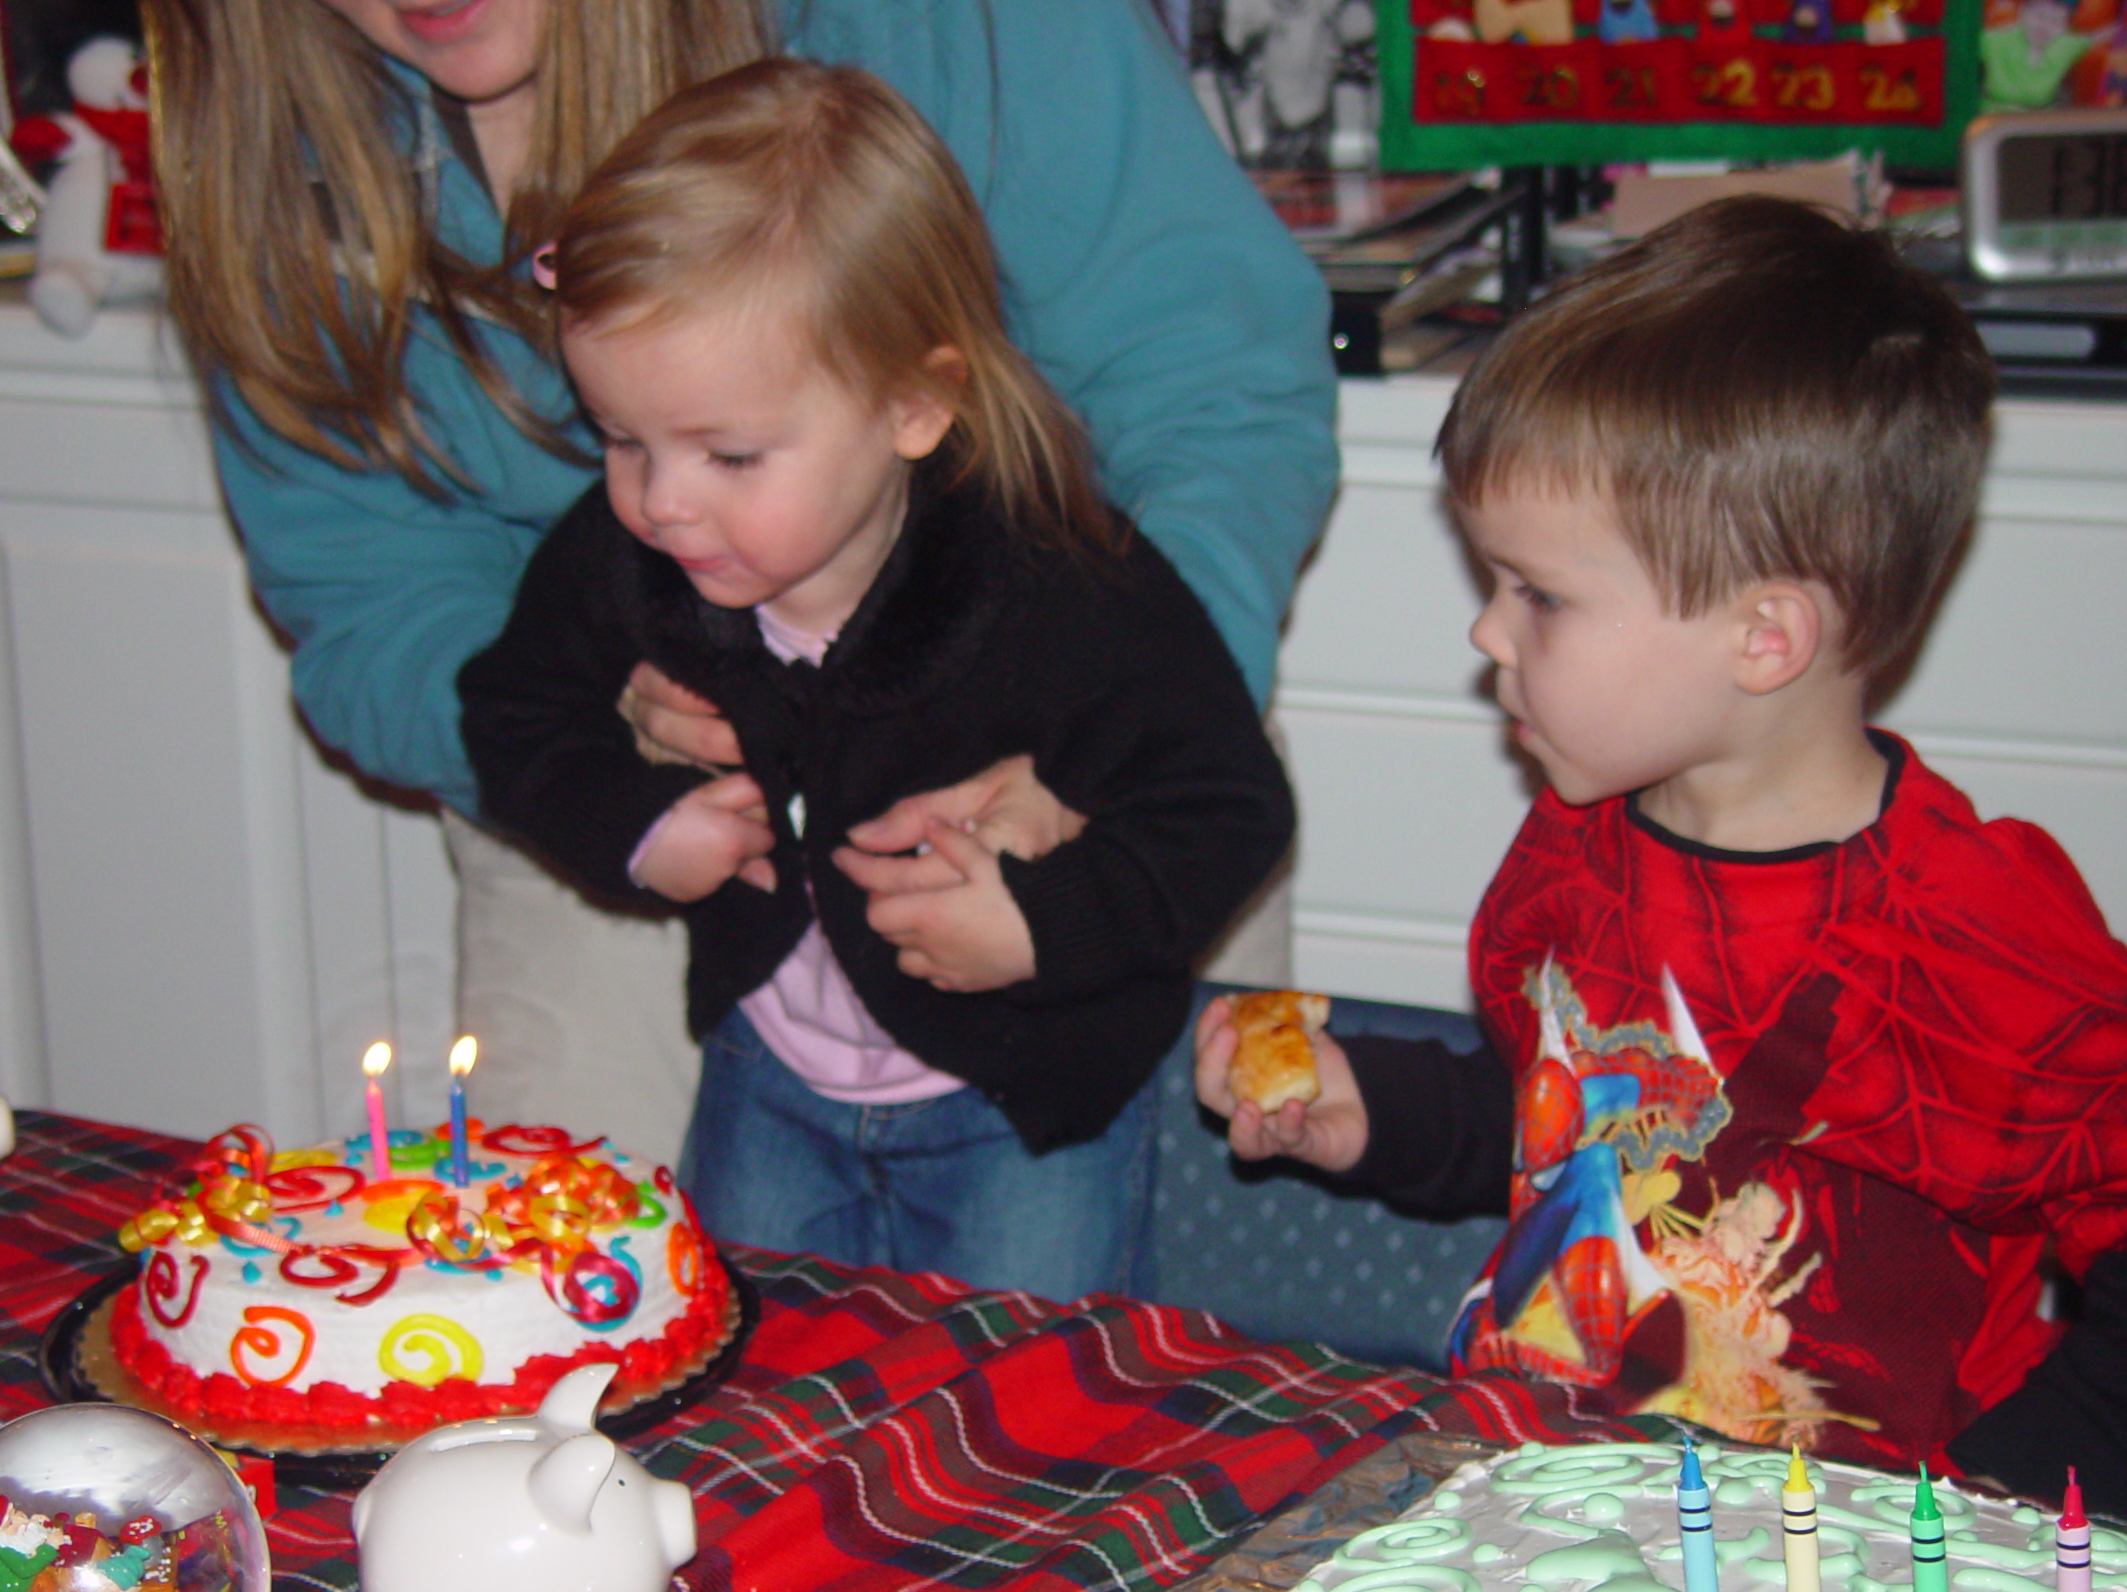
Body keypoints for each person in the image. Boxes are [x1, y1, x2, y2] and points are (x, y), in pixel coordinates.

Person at [142, 0, 1338, 1168]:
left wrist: (1100, 757)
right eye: (627, 443)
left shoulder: (955, 23)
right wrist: (590, 752)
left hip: (1072, 743)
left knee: (1092, 1329)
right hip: (637, 823)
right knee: (578, 1312)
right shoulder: (274, 147)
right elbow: (367, 596)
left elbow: (1208, 384)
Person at [1196, 196, 2127, 1501]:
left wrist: (1992, 1506)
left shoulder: (1965, 928)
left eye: (1540, 595)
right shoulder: (1576, 847)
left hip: (1834, 1589)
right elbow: (1567, 1130)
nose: (1487, 637)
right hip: (1544, 1491)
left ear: (1764, 636)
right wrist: (1369, 1110)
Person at [459, 60, 1293, 1298]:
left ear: (913, 402)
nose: (661, 499)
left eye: (730, 453)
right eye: (621, 437)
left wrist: (1039, 921)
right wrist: (641, 828)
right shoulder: (627, 555)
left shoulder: (1060, 580)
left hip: (1022, 1111)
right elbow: (510, 711)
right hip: (766, 1079)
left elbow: (1226, 808)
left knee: (1016, 1433)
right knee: (757, 1410)